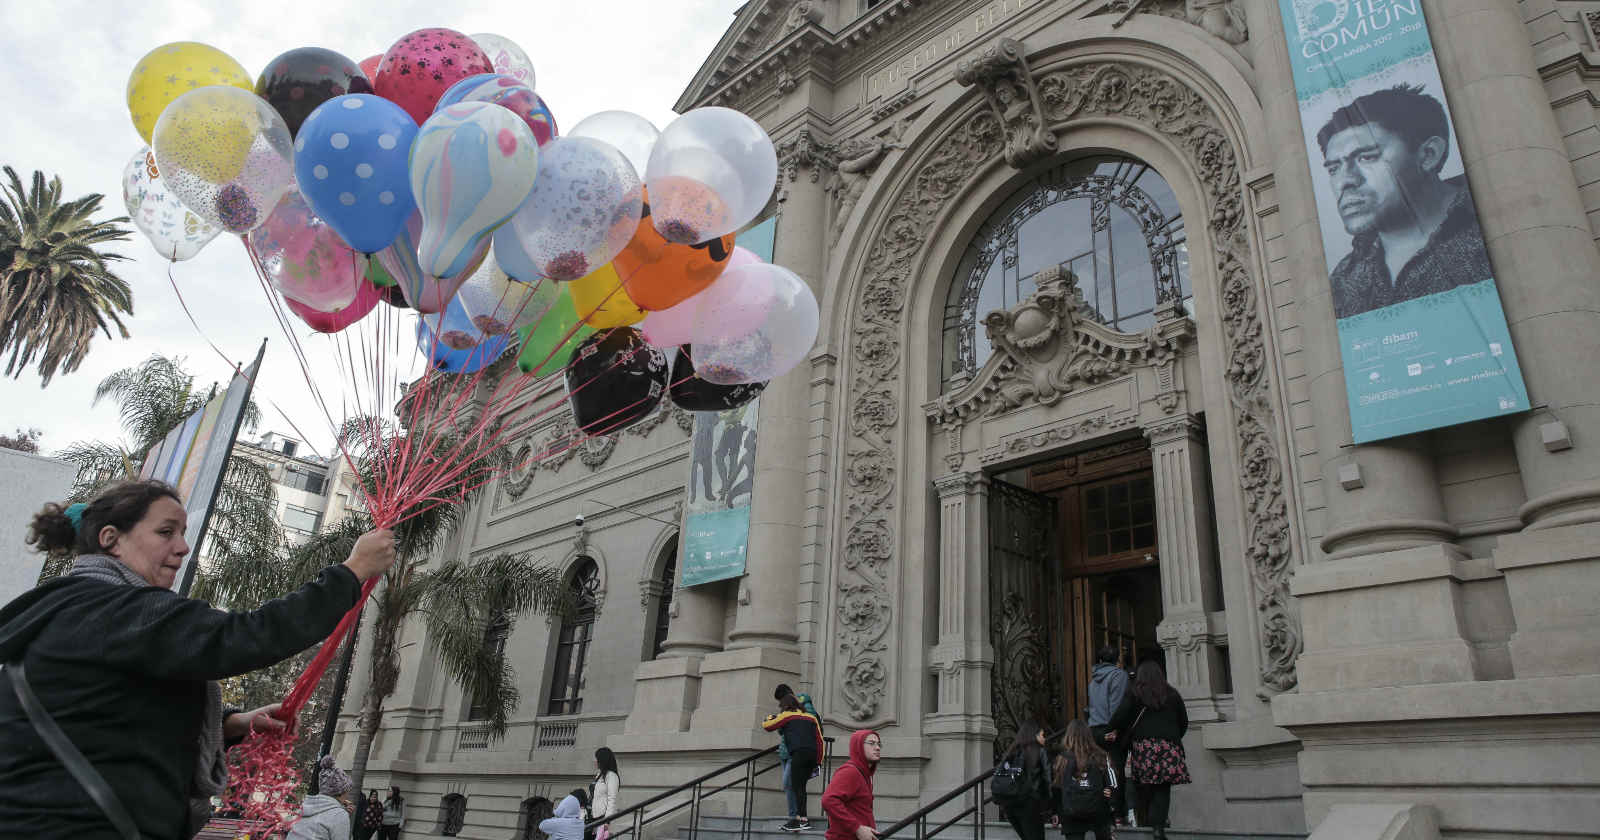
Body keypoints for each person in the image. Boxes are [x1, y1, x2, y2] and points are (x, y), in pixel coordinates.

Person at [0, 480, 395, 839]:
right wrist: (352, 570)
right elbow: (247, 635)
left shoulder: (74, 609)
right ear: (111, 540)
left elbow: (112, 719)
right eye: (165, 532)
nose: (183, 547)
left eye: (183, 533)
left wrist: (235, 724)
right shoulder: (118, 611)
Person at [1318, 83, 1493, 319]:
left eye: (1367, 157)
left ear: (1428, 155)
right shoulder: (1343, 278)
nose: (1345, 181)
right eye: (1333, 169)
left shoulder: (1495, 225)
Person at [1106, 662, 1190, 840]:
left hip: (1144, 746)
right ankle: (1158, 826)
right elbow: (1183, 721)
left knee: (1145, 785)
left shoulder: (1136, 693)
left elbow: (1119, 716)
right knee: (1163, 788)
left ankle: (1148, 821)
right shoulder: (1172, 694)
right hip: (1168, 746)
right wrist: (1173, 737)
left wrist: (1112, 729)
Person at [763, 693, 824, 831]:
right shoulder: (810, 717)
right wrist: (818, 762)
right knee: (801, 787)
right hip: (812, 755)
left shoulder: (787, 715)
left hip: (799, 754)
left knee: (796, 787)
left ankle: (796, 821)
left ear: (786, 706)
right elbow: (820, 740)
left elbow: (767, 725)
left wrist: (769, 717)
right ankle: (803, 820)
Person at [1085, 645, 1130, 824]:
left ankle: (1100, 810)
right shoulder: (1119, 675)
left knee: (1097, 770)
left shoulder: (1093, 679)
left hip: (1094, 729)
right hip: (1110, 728)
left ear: (1101, 660)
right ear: (1117, 659)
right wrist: (1115, 728)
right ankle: (1117, 813)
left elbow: (1091, 706)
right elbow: (1117, 704)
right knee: (1115, 770)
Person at [1051, 721, 1117, 840]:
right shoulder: (1101, 756)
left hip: (1070, 812)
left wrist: (1055, 812)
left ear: (1069, 736)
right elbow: (1112, 784)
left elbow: (1056, 788)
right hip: (1098, 810)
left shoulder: (1062, 759)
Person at [994, 721, 1051, 840]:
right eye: (1042, 735)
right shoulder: (1038, 751)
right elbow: (1047, 780)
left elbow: (998, 773)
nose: (1044, 738)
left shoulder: (1012, 751)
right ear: (1033, 735)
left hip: (1009, 804)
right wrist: (1049, 808)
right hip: (1029, 804)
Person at [822, 730, 880, 840]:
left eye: (878, 744)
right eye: (872, 743)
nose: (877, 747)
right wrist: (857, 828)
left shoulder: (864, 774)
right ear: (858, 746)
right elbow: (829, 800)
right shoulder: (850, 771)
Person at [287, 755, 355, 840]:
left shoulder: (306, 805)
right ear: (341, 792)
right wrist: (341, 813)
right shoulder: (339, 815)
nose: (348, 795)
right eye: (347, 790)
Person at [590, 746, 622, 830]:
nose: (595, 761)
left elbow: (612, 799)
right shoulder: (600, 774)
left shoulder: (611, 776)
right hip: (593, 816)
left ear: (603, 760)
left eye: (597, 759)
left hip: (602, 817)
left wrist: (606, 821)